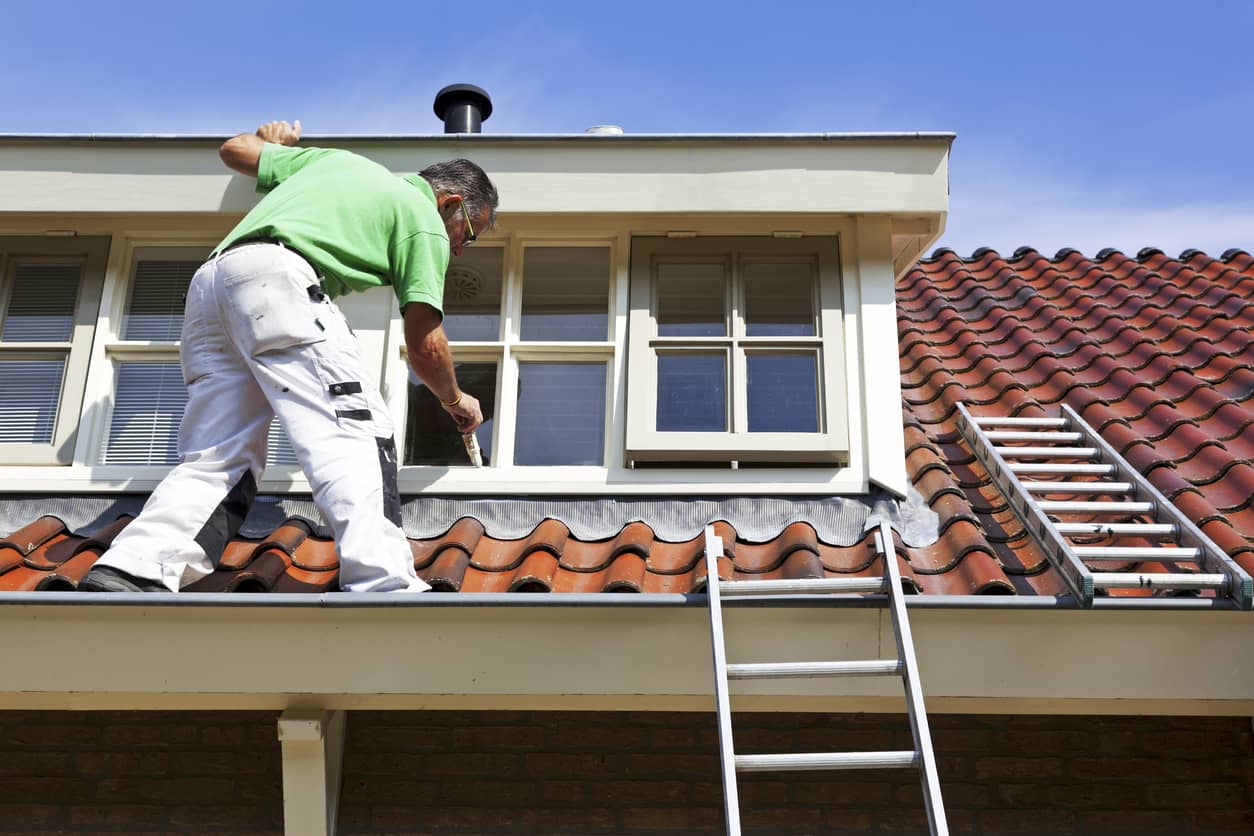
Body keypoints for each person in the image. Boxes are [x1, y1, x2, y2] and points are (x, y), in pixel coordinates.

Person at [80, 119, 496, 593]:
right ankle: (383, 581)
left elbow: (235, 148)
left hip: (211, 285)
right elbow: (425, 342)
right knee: (357, 431)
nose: (460, 249)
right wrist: (453, 399)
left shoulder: (336, 163)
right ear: (450, 203)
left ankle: (138, 566)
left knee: (218, 453)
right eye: (470, 235)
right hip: (279, 282)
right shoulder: (426, 220)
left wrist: (273, 145)